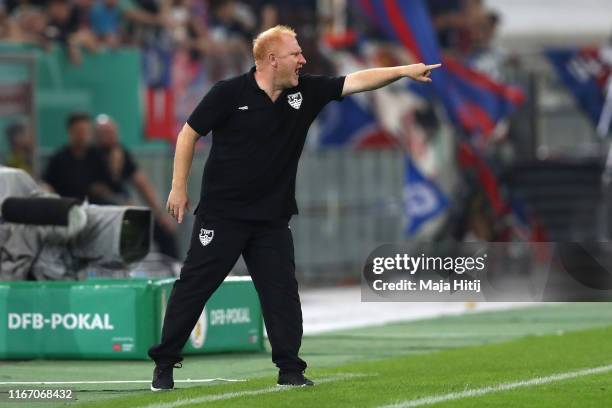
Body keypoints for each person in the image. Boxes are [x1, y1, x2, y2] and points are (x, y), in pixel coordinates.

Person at [148, 24, 440, 390]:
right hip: (222, 215)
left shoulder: (307, 92)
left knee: (281, 293)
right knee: (194, 286)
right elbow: (188, 133)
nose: (303, 60)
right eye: (295, 54)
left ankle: (290, 370)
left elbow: (357, 81)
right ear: (272, 60)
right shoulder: (228, 93)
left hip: (271, 219)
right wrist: (177, 187)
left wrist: (402, 71)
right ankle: (164, 363)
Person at [93, 114, 179, 258]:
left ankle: (176, 267)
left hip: (124, 210)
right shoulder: (90, 154)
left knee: (162, 229)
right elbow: (96, 190)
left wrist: (160, 214)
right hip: (102, 213)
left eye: (112, 132)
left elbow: (141, 183)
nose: (110, 137)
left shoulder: (121, 153)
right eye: (105, 133)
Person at [42, 112, 110, 202]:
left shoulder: (98, 156)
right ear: (70, 131)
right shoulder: (58, 158)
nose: (83, 135)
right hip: (65, 206)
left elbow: (108, 184)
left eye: (86, 131)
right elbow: (46, 183)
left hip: (94, 206)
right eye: (79, 131)